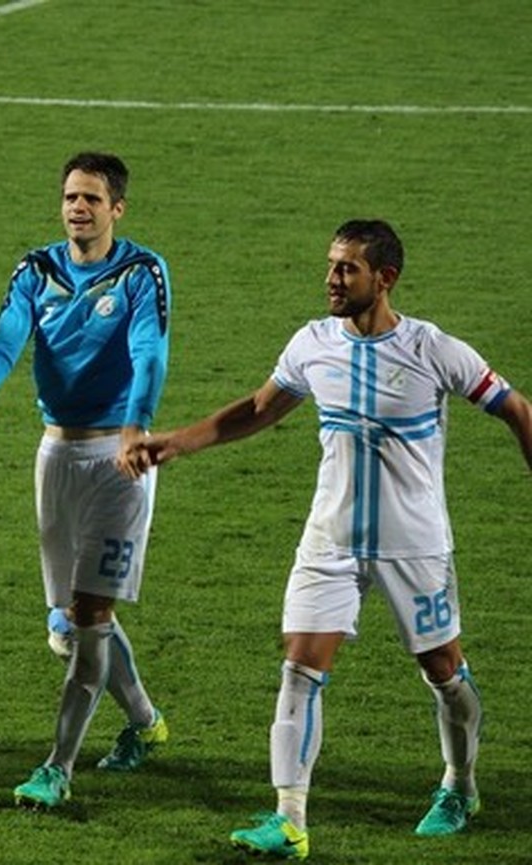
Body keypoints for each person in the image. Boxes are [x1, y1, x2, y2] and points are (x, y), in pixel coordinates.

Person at [125, 220, 531, 858]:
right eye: (331, 266)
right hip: (330, 539)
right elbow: (258, 409)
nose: (332, 279)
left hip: (414, 544)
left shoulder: (432, 349)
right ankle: (290, 820)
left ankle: (459, 783)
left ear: (385, 278)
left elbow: (517, 409)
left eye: (347, 269)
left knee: (442, 669)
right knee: (299, 665)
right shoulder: (313, 344)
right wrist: (174, 443)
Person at [0, 152, 172, 809]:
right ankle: (145, 722)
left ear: (117, 208)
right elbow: (6, 340)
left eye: (91, 198)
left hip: (120, 464)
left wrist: (136, 423)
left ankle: (57, 767)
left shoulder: (142, 272)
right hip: (56, 455)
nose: (76, 208)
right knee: (65, 626)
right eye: (69, 197)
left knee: (90, 616)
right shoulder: (37, 269)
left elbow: (150, 348)